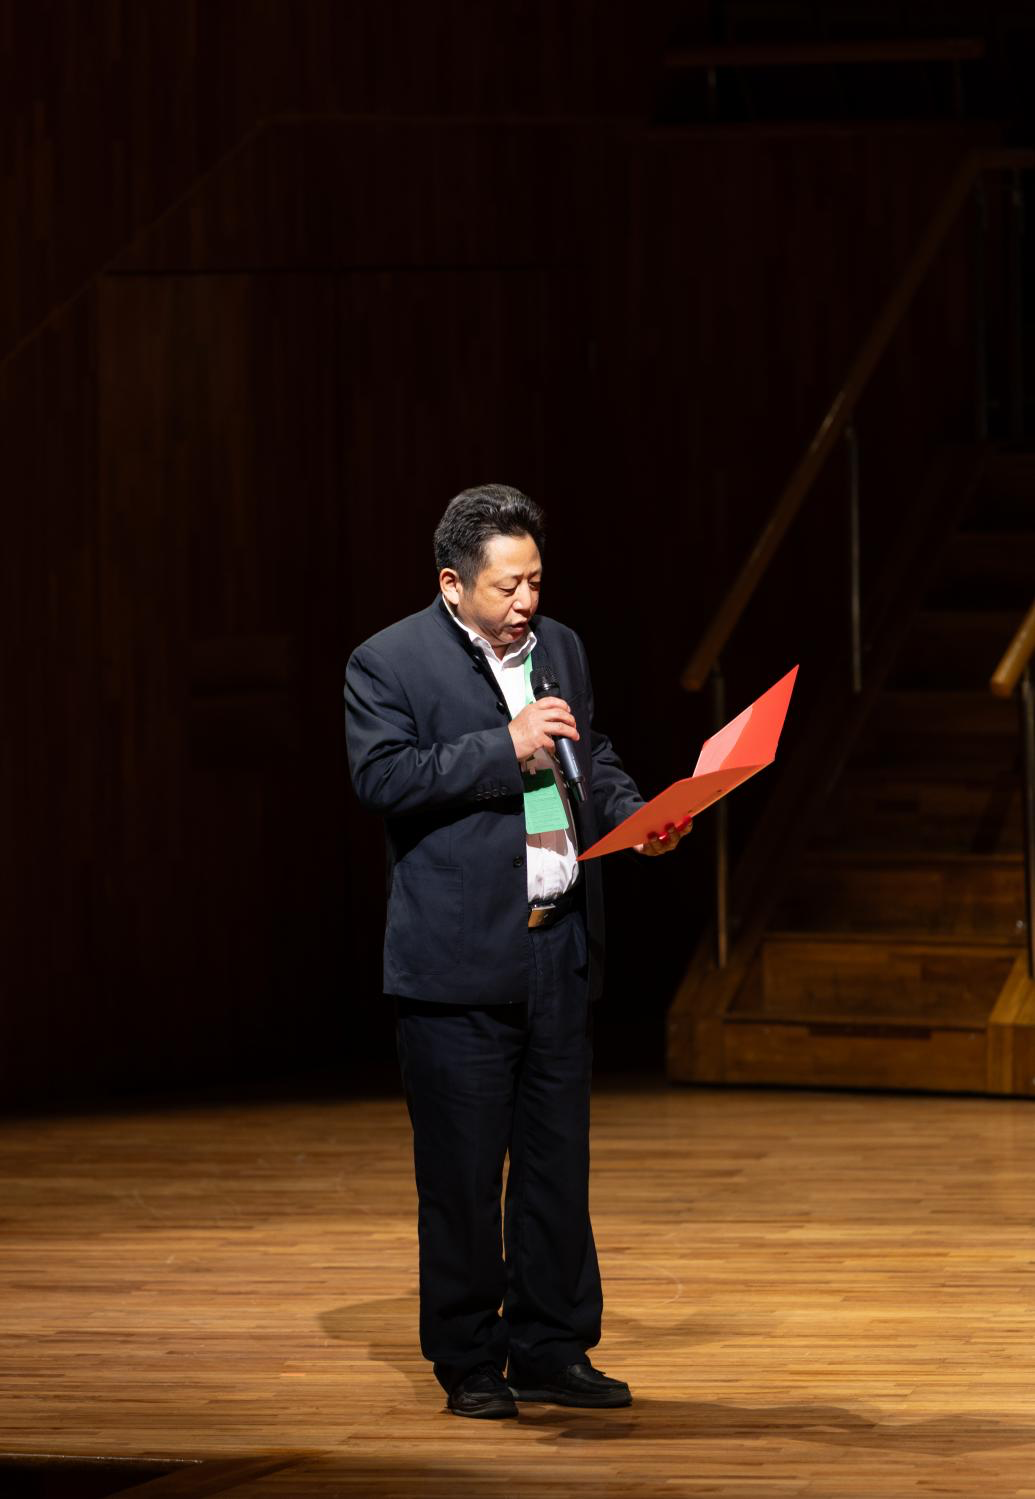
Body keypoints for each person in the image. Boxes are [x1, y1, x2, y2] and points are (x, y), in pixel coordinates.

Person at [344, 484, 691, 1419]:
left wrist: (637, 816)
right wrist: (505, 745)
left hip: (557, 944)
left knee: (554, 1165)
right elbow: (382, 776)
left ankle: (551, 1345)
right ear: (452, 584)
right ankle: (468, 1358)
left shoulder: (560, 647)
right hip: (456, 959)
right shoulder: (387, 660)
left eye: (535, 580)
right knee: (462, 1175)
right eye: (507, 586)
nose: (526, 601)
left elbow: (590, 754)